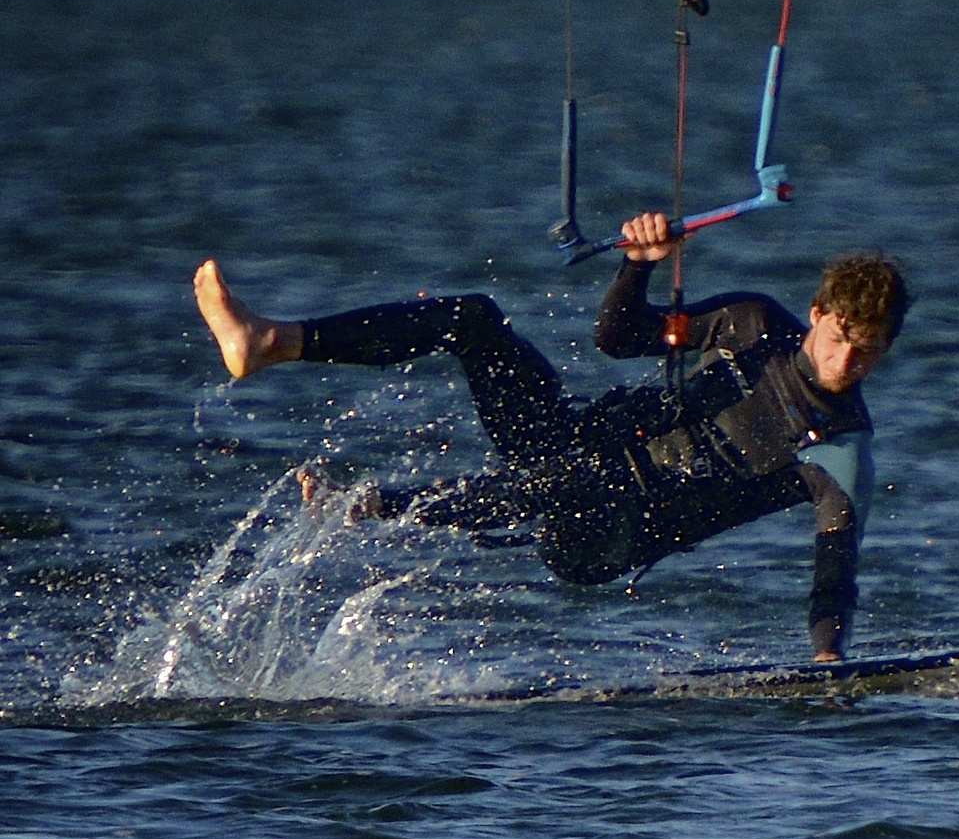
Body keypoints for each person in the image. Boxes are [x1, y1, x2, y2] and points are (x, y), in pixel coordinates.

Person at [192, 212, 909, 661]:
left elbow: (835, 574)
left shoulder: (841, 447)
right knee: (473, 318)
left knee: (579, 480)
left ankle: (373, 504)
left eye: (869, 350)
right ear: (818, 313)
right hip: (569, 446)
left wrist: (827, 663)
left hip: (606, 537)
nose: (848, 361)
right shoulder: (751, 323)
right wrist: (637, 265)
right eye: (842, 337)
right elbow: (618, 338)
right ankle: (271, 341)